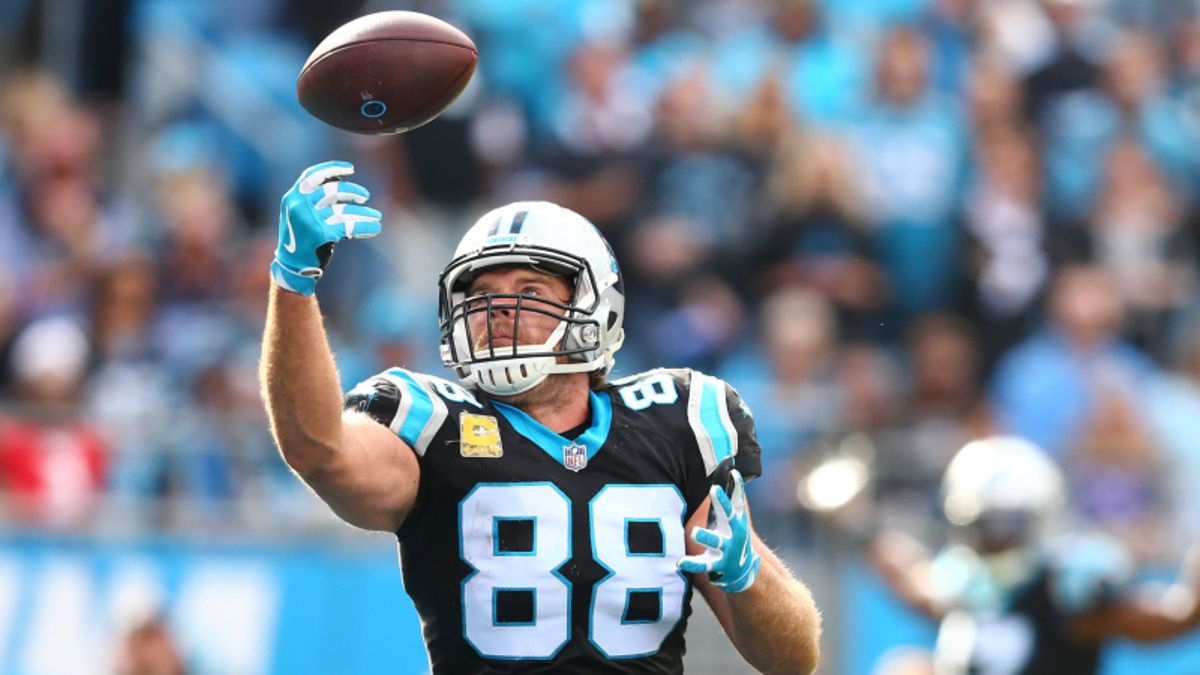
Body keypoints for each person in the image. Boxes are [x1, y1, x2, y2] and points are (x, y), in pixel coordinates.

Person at [259, 161, 822, 673]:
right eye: (481, 293)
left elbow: (794, 662)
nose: (498, 308)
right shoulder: (432, 425)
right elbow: (318, 449)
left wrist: (748, 580)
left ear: (593, 303)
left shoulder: (677, 425)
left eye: (529, 290)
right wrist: (293, 283)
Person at [856, 436, 1200, 675]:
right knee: (906, 668)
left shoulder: (1064, 594)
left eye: (1006, 528)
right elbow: (907, 574)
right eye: (983, 527)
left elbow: (1175, 614)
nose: (994, 541)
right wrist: (856, 518)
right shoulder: (962, 583)